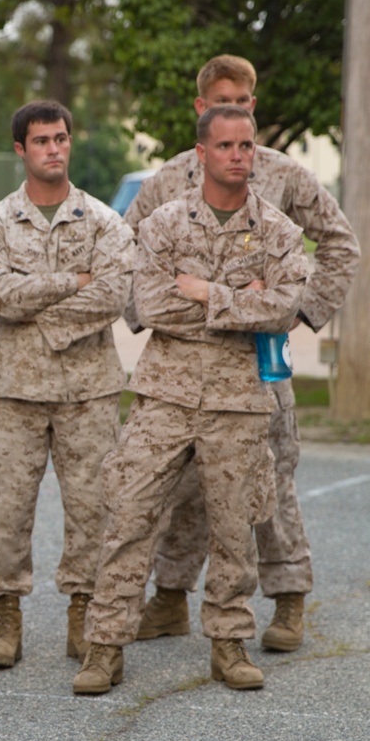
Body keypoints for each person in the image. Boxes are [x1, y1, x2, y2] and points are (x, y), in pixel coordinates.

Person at [125, 55, 359, 652]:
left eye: (247, 102)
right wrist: (146, 313)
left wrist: (299, 311)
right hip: (183, 368)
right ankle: (172, 597)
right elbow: (125, 254)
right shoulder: (168, 180)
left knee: (269, 480)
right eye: (223, 100)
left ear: (255, 106)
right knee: (182, 489)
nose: (238, 112)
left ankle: (288, 599)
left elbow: (339, 242)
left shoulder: (281, 174)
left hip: (259, 364)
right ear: (201, 109)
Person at [75, 105, 309, 696]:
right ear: (200, 154)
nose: (238, 155)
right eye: (226, 146)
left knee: (235, 528)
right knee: (129, 515)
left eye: (247, 145)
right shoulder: (163, 224)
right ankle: (104, 646)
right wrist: (239, 301)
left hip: (238, 402)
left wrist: (208, 293)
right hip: (165, 399)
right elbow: (151, 306)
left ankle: (228, 645)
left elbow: (284, 310)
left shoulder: (278, 231)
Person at [0, 100, 134, 668]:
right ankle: (4, 616)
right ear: (21, 149)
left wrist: (40, 308)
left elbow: (112, 294)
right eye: (41, 141)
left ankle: (83, 613)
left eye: (60, 138)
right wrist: (72, 281)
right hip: (13, 392)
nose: (53, 149)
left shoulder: (106, 222)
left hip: (88, 392)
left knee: (93, 508)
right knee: (4, 509)